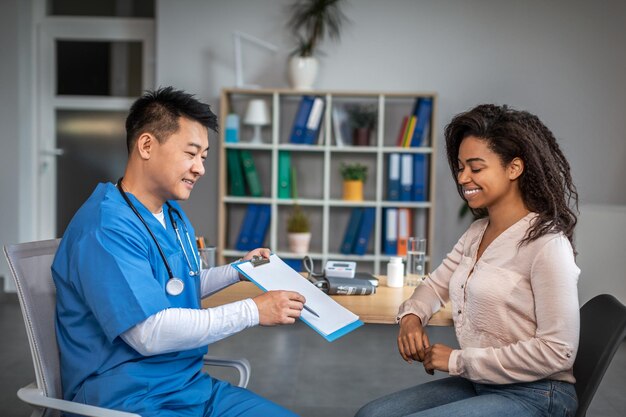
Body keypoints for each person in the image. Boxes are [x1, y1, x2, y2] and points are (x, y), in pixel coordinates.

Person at [52, 87, 304, 417]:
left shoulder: (171, 215)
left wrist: (239, 269)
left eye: (204, 157)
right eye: (191, 153)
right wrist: (254, 311)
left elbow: (179, 285)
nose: (200, 168)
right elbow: (150, 333)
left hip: (188, 387)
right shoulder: (105, 228)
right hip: (127, 398)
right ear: (146, 145)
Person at [355, 104, 580, 417]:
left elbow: (559, 352)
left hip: (538, 393)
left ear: (514, 168)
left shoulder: (547, 244)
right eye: (460, 167)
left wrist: (456, 360)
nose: (463, 177)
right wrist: (411, 317)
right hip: (481, 381)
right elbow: (434, 286)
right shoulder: (477, 233)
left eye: (475, 168)